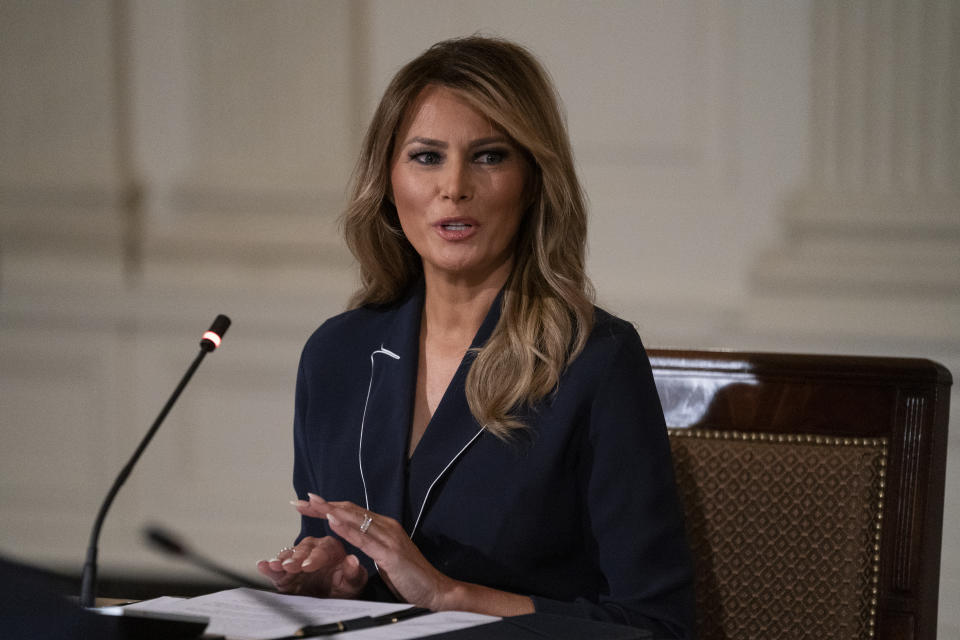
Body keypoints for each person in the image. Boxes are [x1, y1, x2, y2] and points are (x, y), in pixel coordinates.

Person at [256, 36, 694, 638]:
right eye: (427, 157)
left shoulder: (593, 361)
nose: (454, 186)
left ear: (534, 180)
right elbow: (327, 548)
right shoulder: (336, 355)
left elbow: (656, 626)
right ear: (387, 181)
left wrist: (449, 595)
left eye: (489, 156)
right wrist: (331, 573)